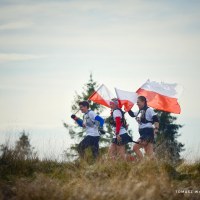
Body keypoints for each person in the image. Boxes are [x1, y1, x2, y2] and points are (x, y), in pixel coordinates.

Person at [128, 96, 159, 160]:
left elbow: (156, 119)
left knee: (135, 148)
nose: (137, 104)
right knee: (149, 153)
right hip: (143, 133)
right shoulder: (139, 111)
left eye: (138, 102)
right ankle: (156, 167)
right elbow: (132, 114)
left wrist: (156, 129)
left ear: (143, 102)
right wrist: (127, 108)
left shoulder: (149, 110)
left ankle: (142, 163)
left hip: (147, 132)